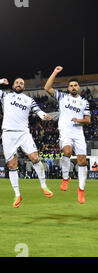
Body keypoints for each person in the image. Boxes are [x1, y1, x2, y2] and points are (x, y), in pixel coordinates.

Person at [0, 77, 54, 208]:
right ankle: (17, 194)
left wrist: (44, 116)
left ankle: (44, 186)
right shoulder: (5, 96)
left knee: (35, 157)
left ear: (24, 87)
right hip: (8, 133)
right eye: (17, 82)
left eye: (21, 83)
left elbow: (38, 111)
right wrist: (1, 81)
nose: (19, 84)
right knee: (12, 165)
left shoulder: (28, 100)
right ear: (13, 85)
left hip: (23, 133)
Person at [44, 66, 91, 204]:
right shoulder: (63, 97)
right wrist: (55, 72)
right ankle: (65, 178)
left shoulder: (84, 102)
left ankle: (81, 190)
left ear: (79, 87)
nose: (73, 87)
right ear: (68, 88)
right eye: (71, 86)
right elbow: (47, 88)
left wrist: (79, 120)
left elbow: (88, 120)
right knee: (67, 151)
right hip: (65, 131)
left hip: (78, 133)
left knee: (82, 161)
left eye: (75, 85)